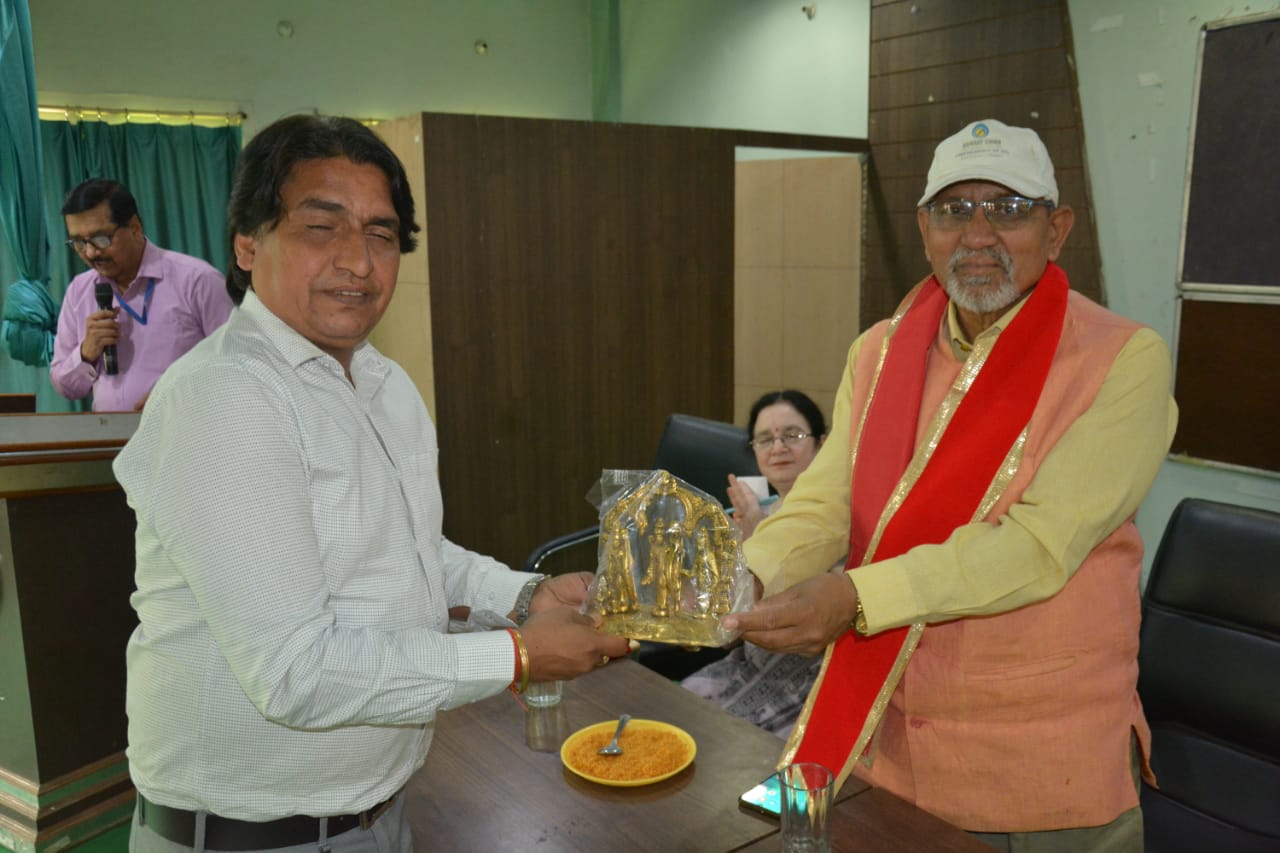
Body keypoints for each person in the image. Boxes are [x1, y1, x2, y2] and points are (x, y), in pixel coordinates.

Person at [112, 115, 630, 853]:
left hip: (379, 814)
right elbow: (295, 671)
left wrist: (524, 596)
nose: (358, 261)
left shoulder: (383, 384)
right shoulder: (224, 396)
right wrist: (517, 654)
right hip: (248, 836)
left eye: (381, 235)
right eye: (322, 227)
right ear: (248, 244)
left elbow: (409, 551)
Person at [723, 119, 1177, 852]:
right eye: (954, 210)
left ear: (1057, 229)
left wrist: (853, 598)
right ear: (924, 230)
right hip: (887, 746)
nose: (978, 234)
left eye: (1008, 208)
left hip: (1041, 769)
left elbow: (1036, 547)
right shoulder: (880, 350)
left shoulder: (1124, 360)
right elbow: (827, 501)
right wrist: (744, 576)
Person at [681, 390, 828, 736]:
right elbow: (725, 634)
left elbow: (812, 609)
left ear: (822, 444)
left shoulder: (836, 518)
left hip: (808, 677)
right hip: (747, 664)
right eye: (765, 439)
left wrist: (759, 531)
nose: (778, 448)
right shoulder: (748, 513)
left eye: (792, 435)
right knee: (672, 718)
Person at [50, 180, 233, 411]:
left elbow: (238, 364)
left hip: (185, 427)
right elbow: (66, 387)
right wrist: (86, 353)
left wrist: (180, 393)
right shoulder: (79, 292)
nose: (90, 252)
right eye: (79, 242)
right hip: (108, 433)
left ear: (135, 228)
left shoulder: (198, 281)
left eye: (101, 238)